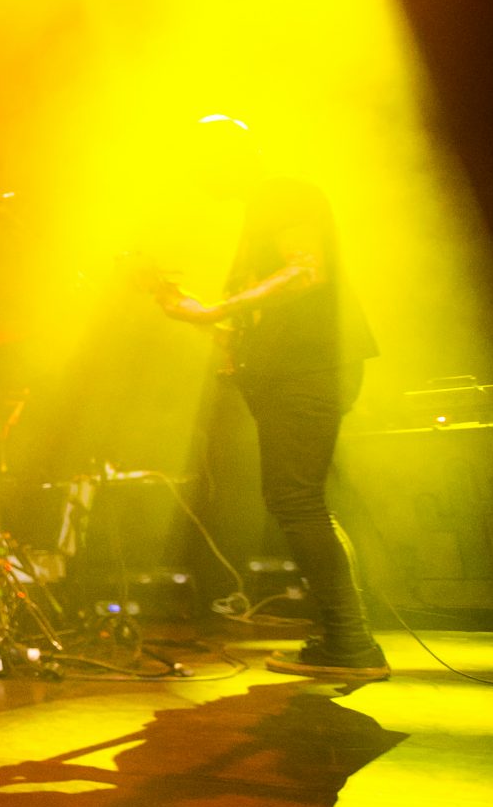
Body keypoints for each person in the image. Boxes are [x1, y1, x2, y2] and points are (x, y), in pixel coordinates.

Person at [156, 116, 383, 680]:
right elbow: (262, 315)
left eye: (199, 163)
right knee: (303, 502)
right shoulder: (261, 210)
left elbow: (306, 273)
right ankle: (345, 637)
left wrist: (215, 310)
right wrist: (196, 314)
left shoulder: (283, 194)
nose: (195, 177)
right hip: (301, 366)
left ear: (228, 154)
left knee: (296, 500)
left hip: (311, 367)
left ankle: (351, 644)